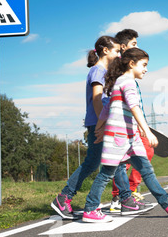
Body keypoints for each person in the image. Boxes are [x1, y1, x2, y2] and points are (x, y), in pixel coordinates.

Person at [83, 48, 168, 223]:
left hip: (129, 138)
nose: (146, 69)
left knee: (146, 170)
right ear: (132, 64)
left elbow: (105, 111)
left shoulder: (118, 82)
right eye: (144, 65)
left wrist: (100, 128)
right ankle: (90, 209)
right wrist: (147, 131)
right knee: (106, 174)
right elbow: (134, 107)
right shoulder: (127, 82)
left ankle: (167, 202)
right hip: (119, 137)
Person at [50, 36, 121, 220]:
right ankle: (64, 198)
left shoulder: (103, 71)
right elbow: (97, 99)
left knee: (96, 162)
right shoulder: (98, 71)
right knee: (92, 163)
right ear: (105, 50)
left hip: (99, 122)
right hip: (98, 123)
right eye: (116, 51)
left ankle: (66, 198)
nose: (119, 54)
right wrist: (102, 124)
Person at [109, 29, 151, 212]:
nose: (137, 46)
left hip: (132, 121)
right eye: (134, 44)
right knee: (123, 161)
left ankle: (125, 194)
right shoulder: (117, 69)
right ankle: (121, 196)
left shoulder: (129, 69)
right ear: (124, 47)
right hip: (121, 124)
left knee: (143, 153)